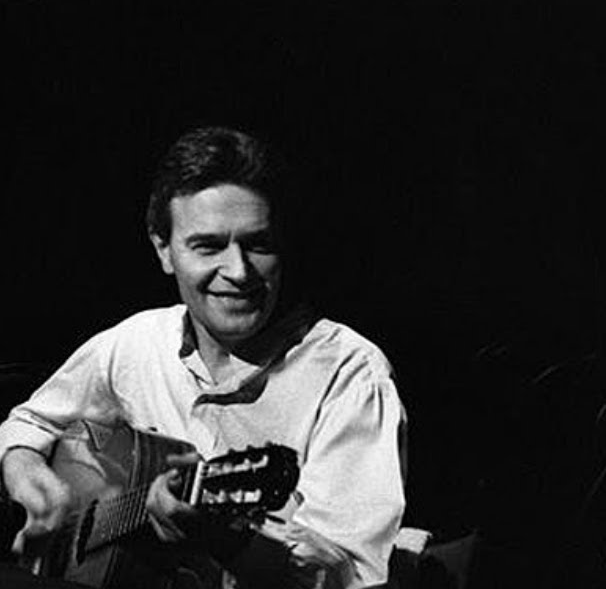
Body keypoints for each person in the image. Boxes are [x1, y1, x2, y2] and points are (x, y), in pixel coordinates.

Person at [0, 126, 407, 589]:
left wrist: (226, 541)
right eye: (209, 246)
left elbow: (353, 577)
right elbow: (29, 421)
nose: (239, 271)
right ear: (164, 250)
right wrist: (27, 473)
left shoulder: (350, 373)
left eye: (258, 244)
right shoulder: (135, 343)